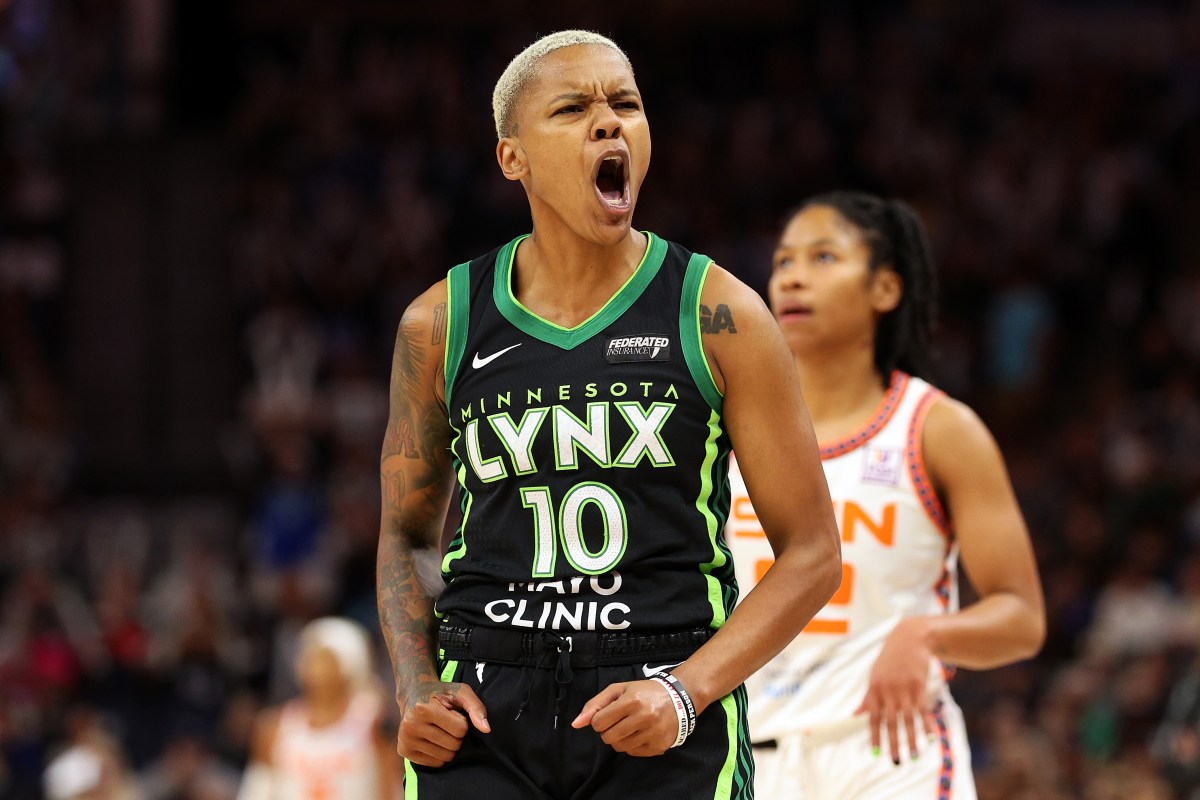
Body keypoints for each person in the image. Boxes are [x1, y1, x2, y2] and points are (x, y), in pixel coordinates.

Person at [375, 29, 841, 800]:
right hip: (483, 706)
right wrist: (415, 680)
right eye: (572, 108)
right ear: (512, 157)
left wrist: (687, 694)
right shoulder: (441, 323)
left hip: (659, 693)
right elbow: (406, 536)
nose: (608, 122)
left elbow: (814, 551)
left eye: (625, 103)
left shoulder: (719, 312)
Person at [725, 191, 1045, 798]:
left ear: (885, 290)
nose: (792, 277)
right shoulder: (725, 433)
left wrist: (929, 635)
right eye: (784, 261)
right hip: (748, 756)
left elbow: (1022, 618)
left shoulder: (937, 429)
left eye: (823, 258)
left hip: (889, 753)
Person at [237, 617, 398, 800]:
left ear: (350, 663)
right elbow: (258, 790)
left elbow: (391, 786)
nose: (313, 665)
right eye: (308, 655)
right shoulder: (276, 724)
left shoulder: (374, 720)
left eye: (324, 657)